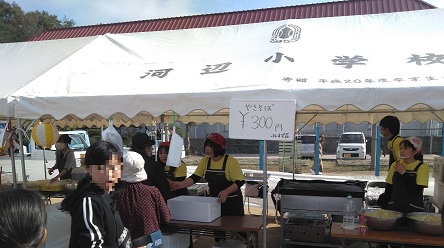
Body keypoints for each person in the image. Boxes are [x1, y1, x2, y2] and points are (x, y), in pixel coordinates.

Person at [170, 133, 246, 241]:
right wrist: (180, 184)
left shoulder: (230, 161)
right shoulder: (205, 161)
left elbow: (239, 181)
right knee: (218, 231)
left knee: (239, 230)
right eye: (206, 146)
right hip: (215, 202)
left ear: (220, 147)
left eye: (210, 146)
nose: (207, 149)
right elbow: (195, 177)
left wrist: (226, 192)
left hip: (232, 202)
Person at [60, 141, 132, 248]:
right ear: (88, 169)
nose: (109, 174)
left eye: (113, 167)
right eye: (101, 168)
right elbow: (91, 244)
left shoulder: (108, 194)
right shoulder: (89, 201)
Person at [115, 150, 171, 247]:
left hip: (127, 243)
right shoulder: (153, 192)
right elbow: (166, 218)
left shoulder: (115, 196)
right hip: (151, 242)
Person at [386, 137, 429, 215]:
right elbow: (389, 188)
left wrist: (404, 173)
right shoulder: (395, 165)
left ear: (415, 151)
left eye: (406, 148)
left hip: (414, 211)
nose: (402, 151)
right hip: (394, 209)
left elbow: (417, 190)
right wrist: (383, 209)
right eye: (401, 148)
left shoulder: (422, 167)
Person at [131, 132, 172, 201]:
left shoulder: (125, 163)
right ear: (146, 148)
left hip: (128, 201)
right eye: (151, 148)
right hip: (149, 202)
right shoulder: (153, 165)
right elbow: (164, 189)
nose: (152, 150)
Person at [378, 115, 403, 209]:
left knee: (388, 197)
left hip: (396, 177)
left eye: (382, 129)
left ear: (387, 129)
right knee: (386, 196)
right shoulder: (391, 142)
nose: (381, 131)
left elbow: (401, 160)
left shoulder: (398, 142)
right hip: (392, 175)